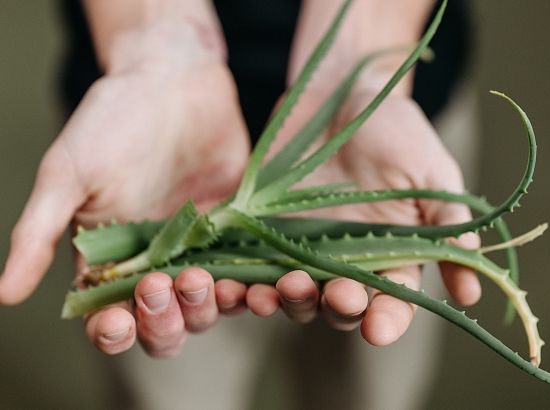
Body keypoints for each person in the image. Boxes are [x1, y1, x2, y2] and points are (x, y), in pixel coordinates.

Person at [0, 0, 479, 408]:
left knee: (367, 387)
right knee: (167, 379)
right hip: (150, 147)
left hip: (380, 135)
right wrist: (151, 41)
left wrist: (366, 58)